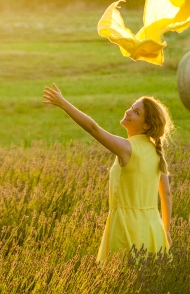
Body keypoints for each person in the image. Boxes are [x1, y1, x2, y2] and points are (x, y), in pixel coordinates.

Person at [42, 84, 173, 262]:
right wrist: (165, 229)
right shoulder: (156, 151)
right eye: (132, 107)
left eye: (136, 112)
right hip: (153, 230)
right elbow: (165, 193)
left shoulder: (127, 148)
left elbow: (93, 128)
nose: (128, 112)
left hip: (126, 229)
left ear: (146, 124)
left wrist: (63, 103)